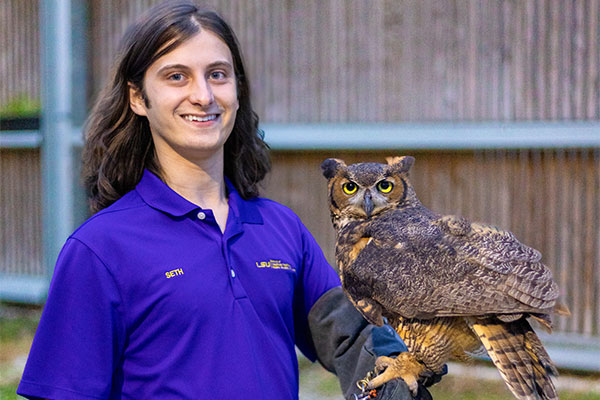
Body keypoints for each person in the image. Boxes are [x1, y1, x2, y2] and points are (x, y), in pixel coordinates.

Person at [17, 2, 439, 399]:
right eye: (176, 76)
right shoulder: (100, 248)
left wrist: (408, 357)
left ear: (237, 89)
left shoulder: (279, 228)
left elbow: (350, 338)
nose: (203, 95)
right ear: (137, 98)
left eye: (218, 74)